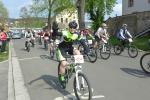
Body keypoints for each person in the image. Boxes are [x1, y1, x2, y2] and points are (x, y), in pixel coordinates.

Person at [56, 21, 81, 87]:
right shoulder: (64, 32)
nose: (72, 29)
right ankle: (61, 77)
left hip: (69, 48)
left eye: (74, 28)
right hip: (61, 49)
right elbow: (57, 33)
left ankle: (74, 67)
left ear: (76, 28)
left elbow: (82, 41)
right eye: (71, 27)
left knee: (78, 53)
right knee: (63, 64)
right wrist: (55, 29)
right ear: (69, 27)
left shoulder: (76, 34)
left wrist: (87, 50)